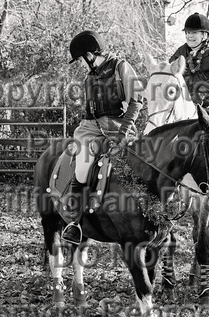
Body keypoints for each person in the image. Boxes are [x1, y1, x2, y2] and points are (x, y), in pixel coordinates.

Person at [62, 30, 144, 245]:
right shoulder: (89, 76)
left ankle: (151, 214)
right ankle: (75, 223)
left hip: (119, 125)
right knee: (82, 166)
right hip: (90, 128)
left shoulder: (121, 67)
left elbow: (136, 101)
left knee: (140, 162)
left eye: (80, 59)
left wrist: (123, 132)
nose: (80, 64)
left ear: (89, 55)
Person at [168, 12, 209, 105]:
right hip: (185, 103)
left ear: (204, 35)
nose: (190, 36)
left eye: (194, 32)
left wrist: (201, 92)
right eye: (188, 32)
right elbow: (169, 73)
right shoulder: (180, 52)